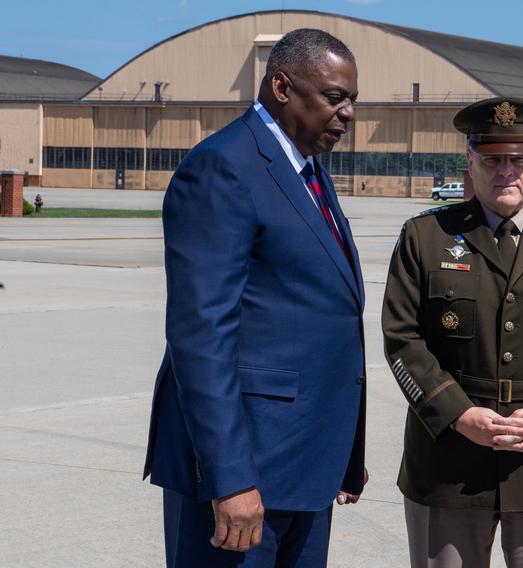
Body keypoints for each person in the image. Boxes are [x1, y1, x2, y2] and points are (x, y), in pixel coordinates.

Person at [143, 29, 368, 567]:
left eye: (353, 99)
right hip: (245, 478)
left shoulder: (307, 169)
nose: (349, 113)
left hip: (305, 467)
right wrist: (230, 479)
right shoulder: (224, 167)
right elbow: (202, 335)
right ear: (282, 87)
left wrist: (343, 454)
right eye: (335, 97)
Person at [382, 97, 523, 568]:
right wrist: (460, 415)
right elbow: (402, 341)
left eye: (518, 160)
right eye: (492, 159)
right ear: (470, 160)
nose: (506, 171)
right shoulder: (426, 238)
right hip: (449, 461)